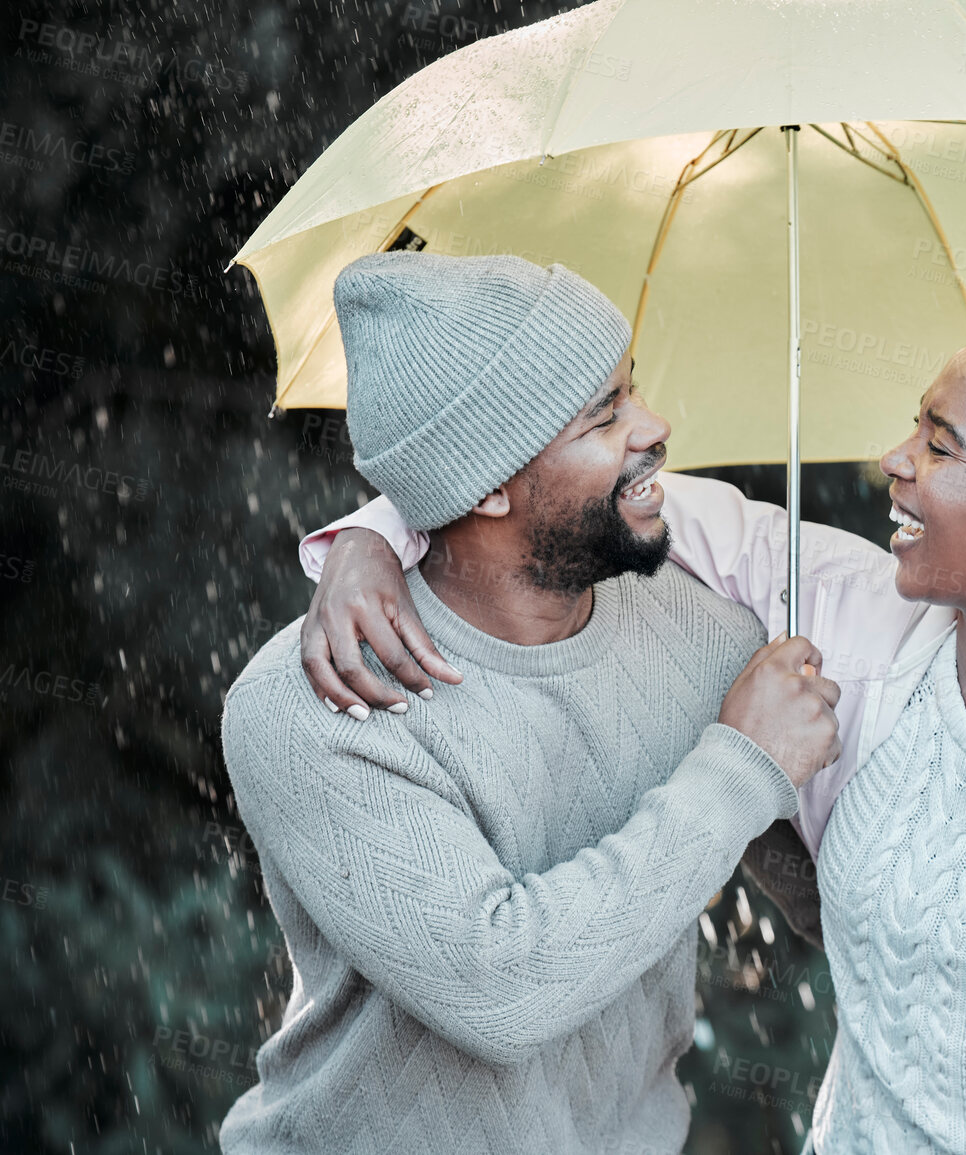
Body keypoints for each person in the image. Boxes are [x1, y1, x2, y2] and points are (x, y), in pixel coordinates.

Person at [300, 270, 966, 1154]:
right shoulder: (849, 621)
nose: (894, 460)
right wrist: (371, 536)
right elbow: (557, 489)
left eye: (940, 444)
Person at [219, 251, 841, 1154]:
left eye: (634, 391)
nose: (657, 427)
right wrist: (741, 765)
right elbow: (502, 989)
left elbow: (836, 903)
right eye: (607, 415)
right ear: (489, 485)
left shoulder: (705, 634)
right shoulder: (316, 706)